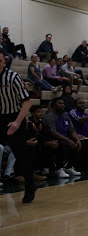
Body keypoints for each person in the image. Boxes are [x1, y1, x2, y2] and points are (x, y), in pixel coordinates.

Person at [0, 49, 36, 203]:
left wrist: (17, 122)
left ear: (4, 61)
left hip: (13, 117)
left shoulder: (12, 77)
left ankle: (30, 185)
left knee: (21, 156)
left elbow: (27, 101)